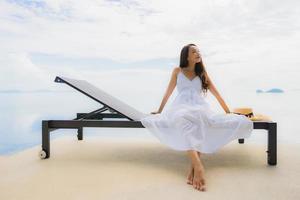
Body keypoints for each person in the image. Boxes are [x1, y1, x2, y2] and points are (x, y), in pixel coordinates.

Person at [140, 43, 253, 192]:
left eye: (198, 51)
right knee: (182, 119)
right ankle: (198, 166)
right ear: (186, 55)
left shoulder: (202, 73)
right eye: (194, 51)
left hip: (200, 107)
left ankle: (193, 166)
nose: (198, 53)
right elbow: (168, 92)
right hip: (180, 106)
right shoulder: (177, 71)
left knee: (200, 119)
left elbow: (216, 93)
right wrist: (160, 111)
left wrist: (228, 112)